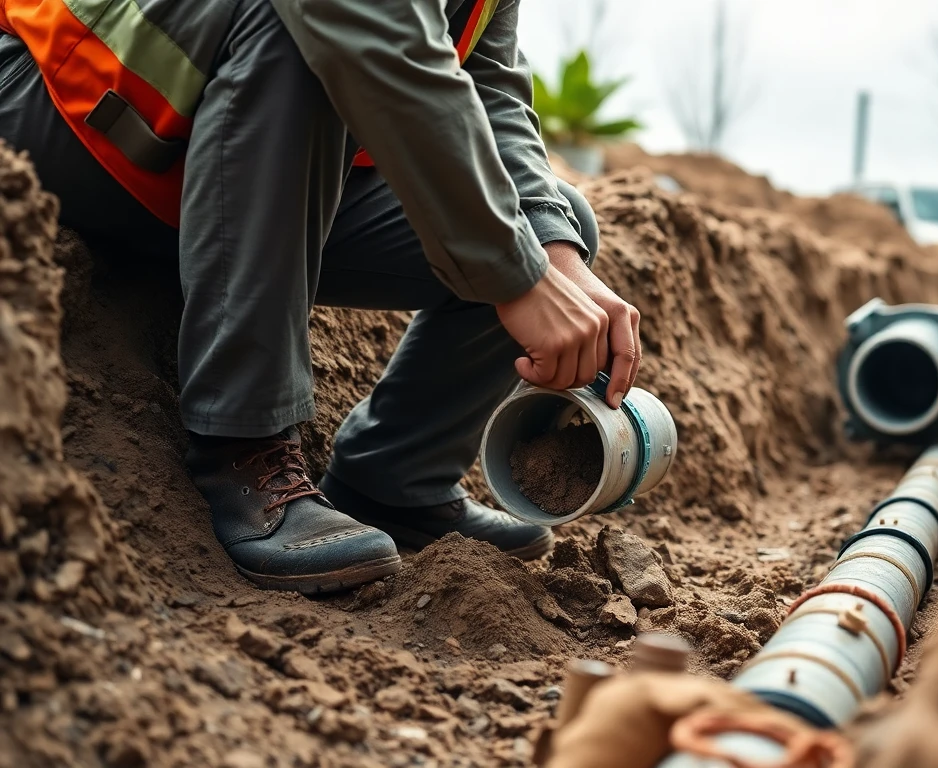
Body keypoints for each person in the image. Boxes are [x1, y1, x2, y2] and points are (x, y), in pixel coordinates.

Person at [0, 0, 642, 594]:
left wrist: (551, 252)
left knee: (555, 224)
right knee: (305, 32)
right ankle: (241, 445)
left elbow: (488, 85)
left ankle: (396, 479)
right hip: (76, 106)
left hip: (221, 147)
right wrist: (516, 276)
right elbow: (366, 33)